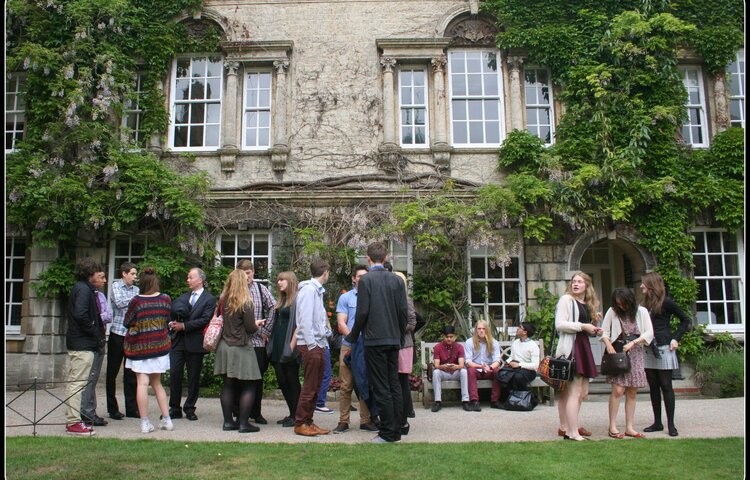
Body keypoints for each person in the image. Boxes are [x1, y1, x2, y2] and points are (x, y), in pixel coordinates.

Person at [345, 241, 408, 443]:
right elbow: (403, 313)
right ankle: (398, 428)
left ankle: (388, 433)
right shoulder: (397, 280)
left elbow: (362, 312)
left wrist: (353, 335)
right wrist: (398, 335)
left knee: (381, 387)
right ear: (386, 258)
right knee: (394, 385)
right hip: (393, 339)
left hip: (374, 340)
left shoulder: (366, 281)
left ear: (368, 259)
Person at [214, 269, 267, 433]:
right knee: (250, 385)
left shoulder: (223, 300)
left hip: (224, 346)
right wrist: (258, 323)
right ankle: (244, 423)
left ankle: (228, 422)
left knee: (228, 385)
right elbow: (250, 329)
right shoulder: (246, 302)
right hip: (241, 347)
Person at [123, 267, 174, 434]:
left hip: (140, 347)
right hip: (159, 346)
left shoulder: (136, 301)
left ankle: (144, 422)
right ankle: (167, 419)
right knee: (157, 383)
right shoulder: (165, 299)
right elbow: (167, 319)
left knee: (142, 383)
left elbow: (127, 321)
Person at [640, 272, 691, 437]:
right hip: (649, 347)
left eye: (644, 284)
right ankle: (657, 422)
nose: (641, 286)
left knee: (666, 386)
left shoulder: (667, 302)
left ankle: (671, 424)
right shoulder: (645, 304)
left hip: (664, 346)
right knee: (653, 387)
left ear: (651, 285)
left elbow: (686, 320)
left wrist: (675, 338)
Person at [554, 271, 603, 441]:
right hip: (572, 349)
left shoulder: (585, 303)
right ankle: (571, 432)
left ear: (586, 285)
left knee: (582, 393)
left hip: (583, 347)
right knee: (574, 392)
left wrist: (594, 327)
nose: (575, 284)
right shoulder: (566, 300)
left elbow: (585, 330)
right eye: (574, 281)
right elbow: (559, 324)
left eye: (580, 282)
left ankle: (569, 427)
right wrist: (583, 326)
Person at [601, 287, 654, 439]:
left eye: (623, 303)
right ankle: (612, 426)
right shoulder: (612, 311)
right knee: (618, 390)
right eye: (618, 304)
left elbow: (649, 333)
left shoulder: (641, 311)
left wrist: (634, 342)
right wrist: (608, 345)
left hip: (636, 353)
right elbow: (604, 332)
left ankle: (629, 427)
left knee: (632, 391)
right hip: (618, 353)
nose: (621, 306)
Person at [63, 257, 107, 436]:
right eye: (98, 273)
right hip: (82, 344)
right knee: (77, 384)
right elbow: (81, 315)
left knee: (77, 382)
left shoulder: (84, 289)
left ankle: (74, 420)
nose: (101, 277)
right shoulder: (83, 289)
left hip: (81, 342)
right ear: (90, 274)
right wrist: (94, 332)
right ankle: (73, 422)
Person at [332, 265, 377, 434]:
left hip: (367, 347)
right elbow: (341, 322)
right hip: (349, 345)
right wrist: (354, 338)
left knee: (365, 383)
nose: (362, 279)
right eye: (359, 276)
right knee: (346, 385)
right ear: (353, 278)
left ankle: (365, 420)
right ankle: (343, 421)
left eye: (365, 276)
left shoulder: (374, 297)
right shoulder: (346, 298)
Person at [169, 267, 217, 421]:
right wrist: (173, 323)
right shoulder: (184, 297)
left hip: (195, 342)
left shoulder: (209, 299)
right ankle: (174, 408)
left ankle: (190, 408)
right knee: (175, 373)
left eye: (190, 277)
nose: (188, 280)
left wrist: (184, 326)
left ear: (200, 280)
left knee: (193, 377)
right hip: (179, 342)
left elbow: (205, 319)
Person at [293, 259, 332, 437]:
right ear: (325, 272)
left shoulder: (317, 291)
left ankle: (308, 421)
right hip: (311, 344)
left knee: (316, 385)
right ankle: (301, 422)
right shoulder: (309, 290)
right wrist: (312, 344)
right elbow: (305, 320)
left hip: (318, 343)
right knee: (310, 386)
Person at [236, 260, 277, 426]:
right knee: (239, 379)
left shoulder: (261, 289)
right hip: (240, 342)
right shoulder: (235, 291)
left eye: (249, 271)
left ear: (253, 271)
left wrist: (266, 331)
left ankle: (256, 412)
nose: (247, 275)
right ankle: (239, 413)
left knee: (257, 379)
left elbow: (274, 307)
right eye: (244, 272)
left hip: (258, 343)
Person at [268, 271, 302, 428]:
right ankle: (292, 413)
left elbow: (300, 324)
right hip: (278, 344)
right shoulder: (281, 301)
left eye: (282, 280)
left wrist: (291, 346)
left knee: (292, 380)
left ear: (290, 281)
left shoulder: (297, 300)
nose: (279, 283)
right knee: (282, 380)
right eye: (278, 280)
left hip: (290, 344)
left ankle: (297, 415)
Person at [106, 262, 139, 420]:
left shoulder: (136, 290)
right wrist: (135, 300)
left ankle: (132, 408)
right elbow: (119, 303)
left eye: (135, 274)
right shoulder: (115, 286)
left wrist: (135, 299)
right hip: (117, 334)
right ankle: (112, 409)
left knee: (131, 374)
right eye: (132, 274)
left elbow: (138, 307)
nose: (134, 277)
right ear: (124, 274)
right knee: (112, 373)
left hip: (131, 335)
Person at [80, 267, 111, 427]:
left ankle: (89, 412)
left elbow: (108, 315)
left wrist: (100, 318)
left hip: (99, 339)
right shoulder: (85, 294)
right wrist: (97, 323)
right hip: (90, 341)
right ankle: (87, 413)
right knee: (88, 379)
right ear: (91, 276)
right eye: (101, 277)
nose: (104, 280)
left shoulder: (100, 295)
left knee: (93, 377)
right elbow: (84, 316)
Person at [393, 271, 417, 427]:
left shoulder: (406, 300)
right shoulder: (392, 299)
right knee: (395, 379)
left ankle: (406, 411)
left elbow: (412, 322)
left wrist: (397, 329)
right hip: (394, 344)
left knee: (401, 380)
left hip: (404, 345)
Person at [464, 320, 503, 411]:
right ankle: (474, 401)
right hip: (476, 369)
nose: (481, 331)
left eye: (483, 329)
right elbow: (468, 361)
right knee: (470, 370)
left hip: (489, 369)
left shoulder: (494, 342)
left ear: (487, 330)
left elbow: (497, 360)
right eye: (479, 328)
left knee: (497, 371)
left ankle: (495, 401)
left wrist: (489, 367)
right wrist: (480, 367)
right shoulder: (469, 342)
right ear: (476, 330)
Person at [498, 322, 541, 402]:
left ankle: (528, 399)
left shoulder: (533, 346)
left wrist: (519, 365)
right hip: (515, 368)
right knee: (503, 374)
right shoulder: (516, 342)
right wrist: (509, 362)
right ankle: (507, 400)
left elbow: (535, 365)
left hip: (529, 371)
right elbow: (511, 357)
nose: (517, 329)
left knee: (518, 377)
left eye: (520, 327)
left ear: (525, 332)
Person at [430, 325, 469, 412]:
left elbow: (462, 364)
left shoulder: (459, 347)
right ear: (443, 336)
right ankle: (438, 402)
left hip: (455, 373)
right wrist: (442, 366)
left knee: (463, 372)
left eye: (451, 337)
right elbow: (436, 365)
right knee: (436, 372)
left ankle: (465, 401)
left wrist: (456, 366)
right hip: (443, 373)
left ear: (454, 336)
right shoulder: (438, 347)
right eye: (447, 337)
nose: (449, 339)